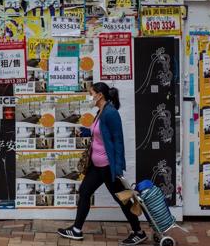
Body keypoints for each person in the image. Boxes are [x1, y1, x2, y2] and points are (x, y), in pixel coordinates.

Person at [58, 83, 146, 245]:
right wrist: (84, 131)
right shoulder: (100, 112)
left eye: (91, 93)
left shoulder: (111, 113)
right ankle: (77, 230)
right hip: (96, 166)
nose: (89, 96)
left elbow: (118, 141)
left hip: (107, 167)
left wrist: (118, 167)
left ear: (100, 95)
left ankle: (138, 232)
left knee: (123, 199)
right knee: (85, 191)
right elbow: (97, 132)